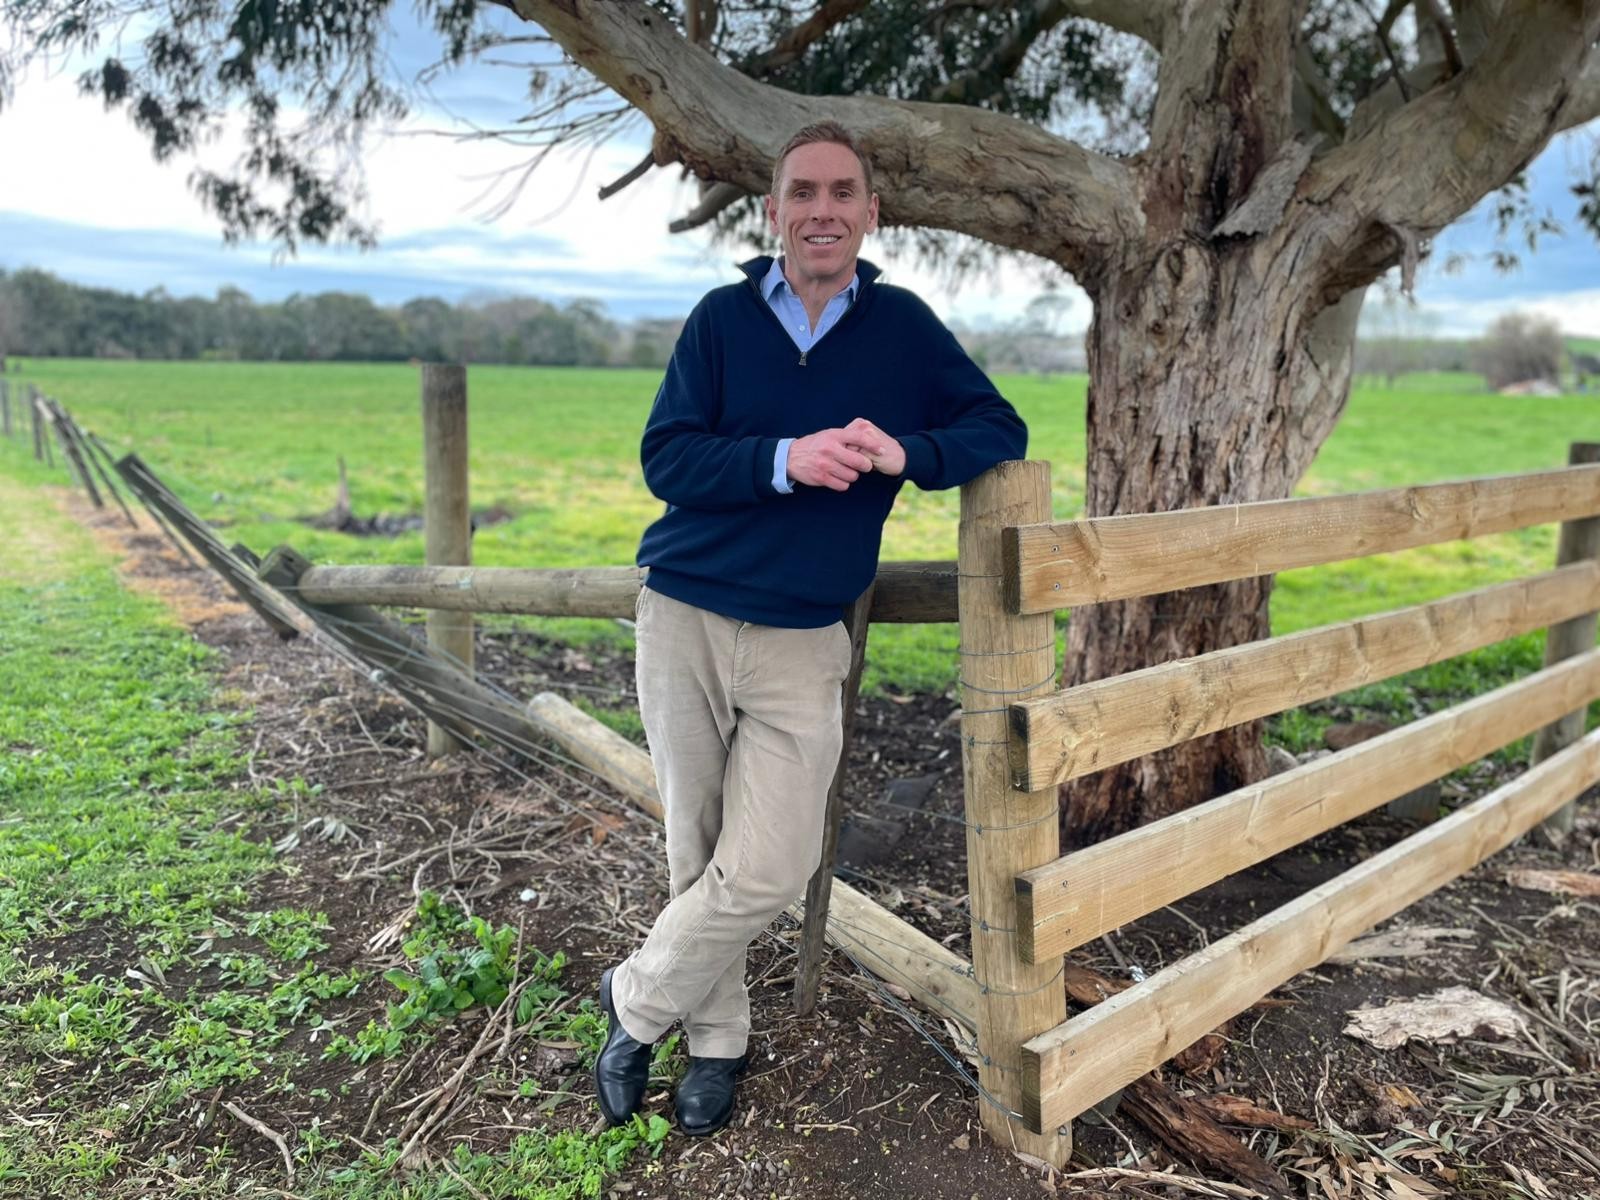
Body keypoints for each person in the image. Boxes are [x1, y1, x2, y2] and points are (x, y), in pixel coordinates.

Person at [595, 121, 1027, 1136]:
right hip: (686, 612)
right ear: (773, 211)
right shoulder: (720, 319)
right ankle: (717, 1042)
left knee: (770, 866)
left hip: (802, 637)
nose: (821, 210)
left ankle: (634, 1002)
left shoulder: (904, 328)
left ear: (871, 213)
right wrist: (782, 460)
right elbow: (666, 458)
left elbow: (997, 427)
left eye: (841, 193)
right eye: (802, 192)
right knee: (697, 846)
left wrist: (907, 453)